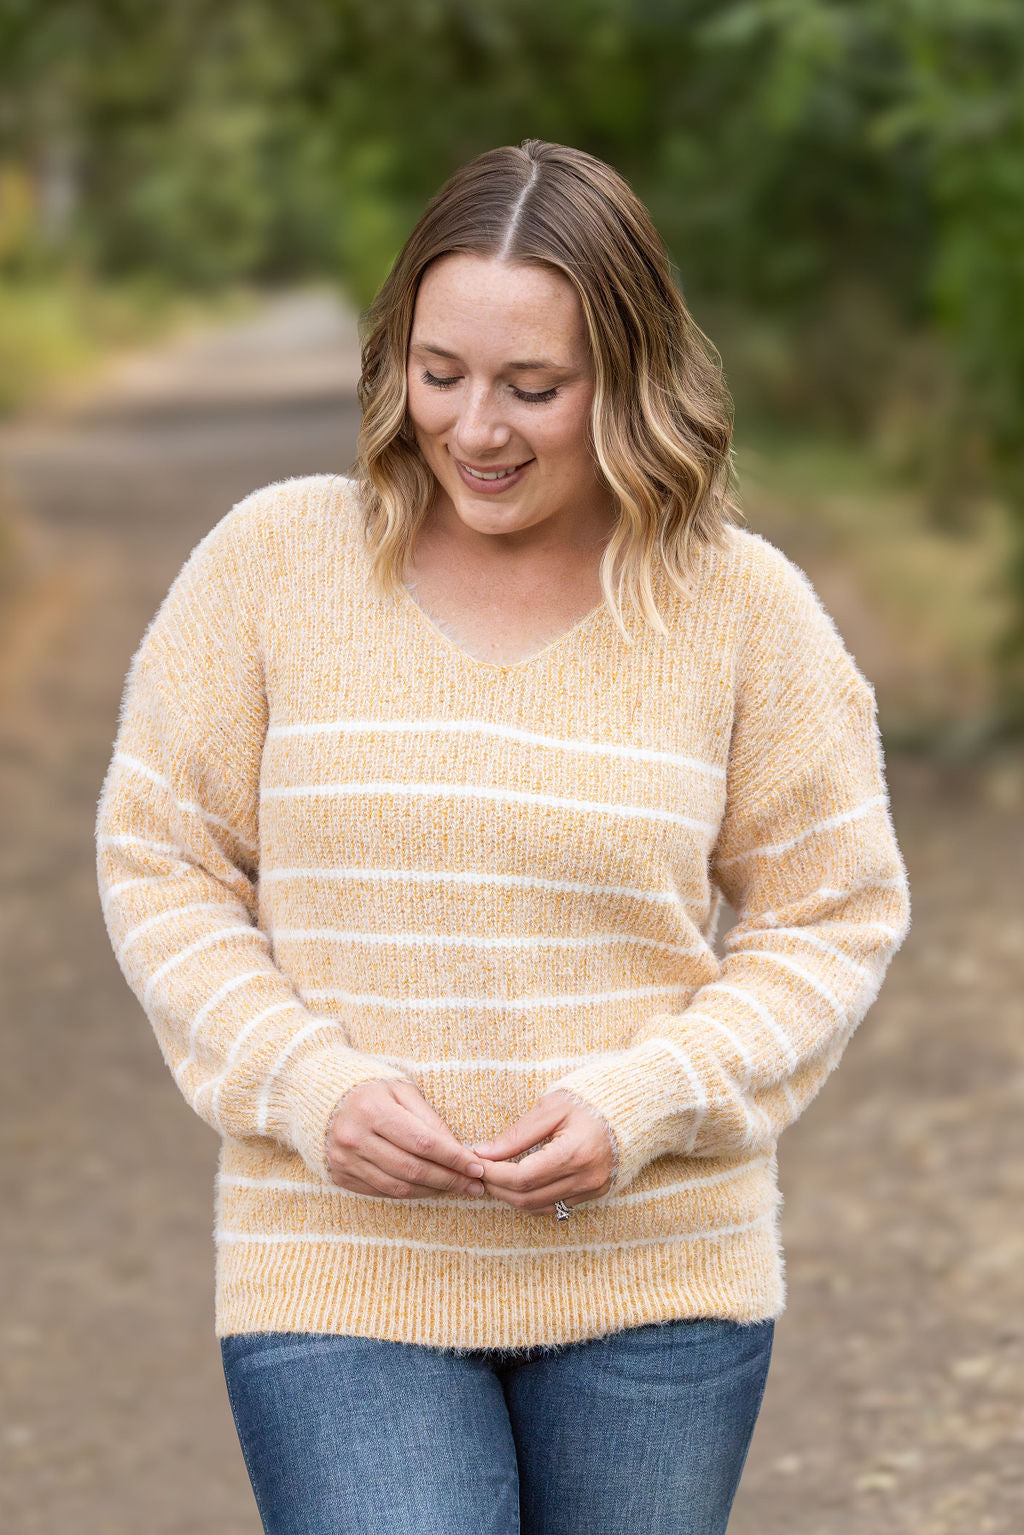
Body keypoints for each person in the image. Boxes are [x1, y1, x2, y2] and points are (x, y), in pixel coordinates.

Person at [95, 139, 911, 1534]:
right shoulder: (272, 564)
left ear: (630, 378)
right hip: (338, 1264)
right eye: (440, 373)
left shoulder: (739, 609)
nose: (476, 428)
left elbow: (832, 910)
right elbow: (163, 861)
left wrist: (646, 1099)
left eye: (535, 387)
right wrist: (303, 1079)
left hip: (659, 1279)